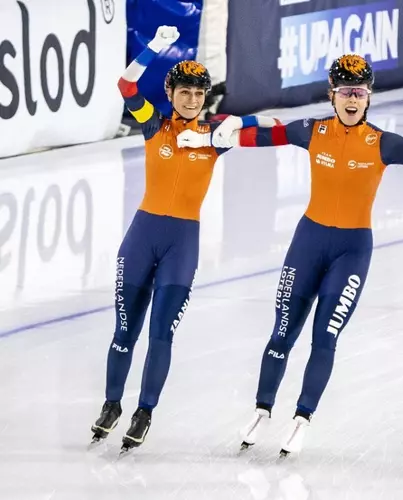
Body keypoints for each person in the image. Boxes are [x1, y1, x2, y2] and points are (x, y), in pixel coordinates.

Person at [177, 53, 403, 456]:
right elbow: (265, 138)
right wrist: (208, 139)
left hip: (351, 251)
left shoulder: (383, 142)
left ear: (369, 98)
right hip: (307, 243)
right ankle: (262, 410)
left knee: (324, 338)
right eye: (345, 92)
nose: (352, 99)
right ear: (332, 95)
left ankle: (302, 417)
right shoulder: (312, 131)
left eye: (360, 93)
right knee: (282, 333)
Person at [89, 26, 278, 453]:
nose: (193, 100)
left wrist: (227, 126)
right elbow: (125, 86)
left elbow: (274, 124)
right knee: (124, 332)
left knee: (160, 335)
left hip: (182, 245)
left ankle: (144, 412)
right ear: (171, 93)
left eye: (199, 94)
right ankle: (111, 405)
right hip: (142, 237)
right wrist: (153, 47)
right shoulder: (154, 125)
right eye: (185, 92)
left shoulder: (216, 137)